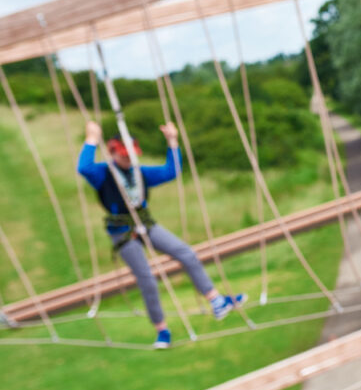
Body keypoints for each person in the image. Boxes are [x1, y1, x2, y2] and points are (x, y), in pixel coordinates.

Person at [77, 121, 244, 348]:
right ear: (112, 151)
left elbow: (170, 171)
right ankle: (162, 330)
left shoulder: (140, 172)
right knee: (147, 279)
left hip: (146, 225)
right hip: (123, 233)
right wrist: (91, 139)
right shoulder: (102, 174)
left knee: (185, 253)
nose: (129, 160)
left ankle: (216, 300)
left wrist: (172, 141)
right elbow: (83, 168)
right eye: (124, 155)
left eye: (131, 155)